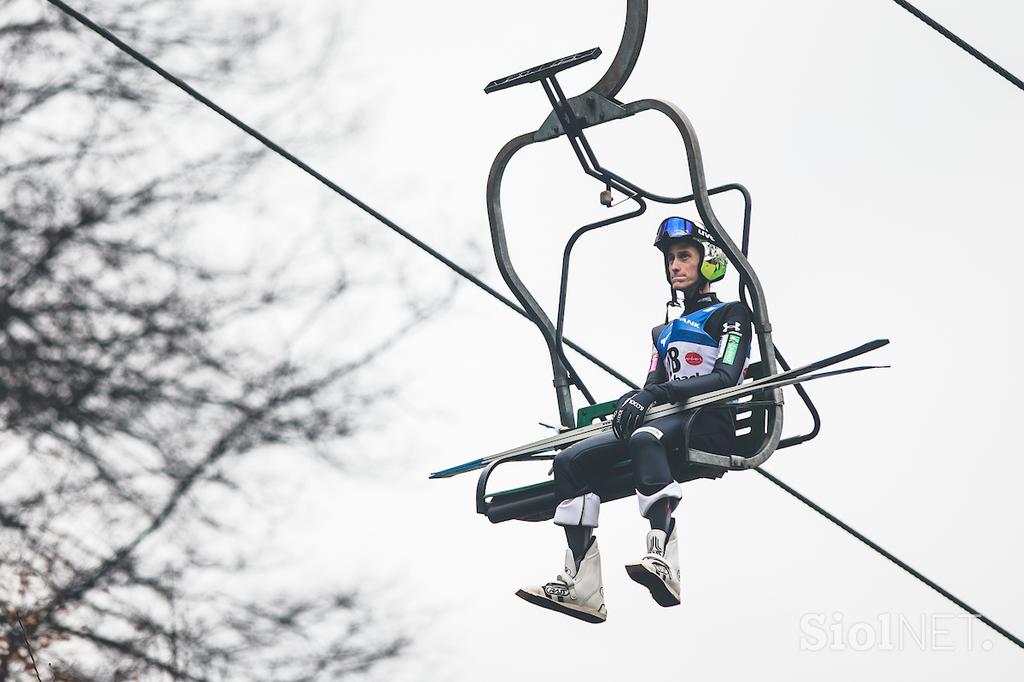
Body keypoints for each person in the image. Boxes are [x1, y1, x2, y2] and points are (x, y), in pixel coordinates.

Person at [515, 216, 752, 623]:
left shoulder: (732, 315)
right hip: (668, 419)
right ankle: (580, 583)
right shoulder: (664, 330)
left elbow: (726, 376)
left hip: (708, 421)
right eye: (671, 259)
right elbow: (654, 381)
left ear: (708, 262)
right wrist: (636, 398)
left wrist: (656, 395)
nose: (675, 266)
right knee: (571, 460)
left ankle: (663, 557)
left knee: (646, 438)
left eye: (684, 257)